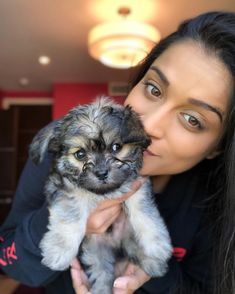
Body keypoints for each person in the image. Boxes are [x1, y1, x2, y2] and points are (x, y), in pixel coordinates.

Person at [0, 10, 235, 294]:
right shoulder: (68, 145)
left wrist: (153, 269)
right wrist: (64, 217)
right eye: (153, 89)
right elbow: (10, 263)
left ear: (217, 147)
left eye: (193, 120)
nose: (147, 126)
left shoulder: (217, 197)